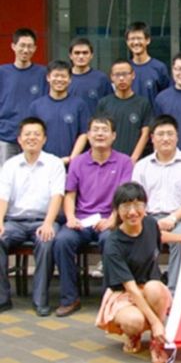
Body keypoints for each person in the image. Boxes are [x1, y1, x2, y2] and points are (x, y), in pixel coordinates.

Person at [95, 182, 181, 363]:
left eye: (138, 205)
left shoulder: (150, 223)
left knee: (155, 287)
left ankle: (156, 341)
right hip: (124, 293)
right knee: (134, 322)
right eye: (126, 206)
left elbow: (159, 236)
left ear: (145, 206)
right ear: (116, 210)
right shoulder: (113, 244)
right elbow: (130, 289)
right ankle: (135, 334)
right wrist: (156, 323)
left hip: (149, 287)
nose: (132, 212)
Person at [53, 115, 133, 317]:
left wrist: (112, 219)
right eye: (95, 130)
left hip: (110, 220)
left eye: (104, 130)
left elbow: (124, 197)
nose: (99, 134)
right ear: (88, 135)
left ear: (113, 136)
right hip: (81, 220)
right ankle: (70, 298)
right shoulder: (78, 162)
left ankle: (109, 298)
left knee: (110, 241)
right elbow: (70, 195)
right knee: (62, 241)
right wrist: (70, 217)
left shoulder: (124, 162)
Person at [0, 117, 65, 317]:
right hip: (15, 222)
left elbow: (57, 196)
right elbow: (3, 196)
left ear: (44, 139)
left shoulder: (54, 163)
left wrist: (48, 223)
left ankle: (40, 300)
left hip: (43, 220)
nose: (32, 138)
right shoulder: (10, 165)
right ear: (19, 139)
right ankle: (2, 298)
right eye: (27, 134)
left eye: (37, 134)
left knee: (46, 241)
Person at [132, 114, 181, 294]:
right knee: (141, 238)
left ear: (177, 137)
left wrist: (172, 218)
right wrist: (149, 221)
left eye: (170, 134)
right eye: (160, 134)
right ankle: (148, 288)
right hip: (147, 217)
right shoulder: (142, 165)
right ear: (152, 138)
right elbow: (136, 200)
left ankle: (174, 292)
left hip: (179, 217)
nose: (165, 138)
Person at [0, 28, 48, 166]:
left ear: (35, 48)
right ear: (13, 46)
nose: (26, 50)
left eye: (29, 46)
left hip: (33, 138)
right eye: (22, 45)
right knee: (5, 176)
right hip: (5, 136)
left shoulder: (43, 74)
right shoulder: (2, 72)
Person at [29, 60, 89, 164]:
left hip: (72, 164)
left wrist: (72, 158)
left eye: (63, 76)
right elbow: (32, 134)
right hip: (43, 163)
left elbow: (84, 134)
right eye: (56, 76)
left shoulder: (79, 104)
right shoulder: (36, 106)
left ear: (70, 79)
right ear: (48, 77)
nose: (59, 79)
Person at [96, 59, 152, 163]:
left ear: (133, 75)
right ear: (111, 77)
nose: (121, 78)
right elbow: (99, 133)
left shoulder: (143, 103)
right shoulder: (104, 103)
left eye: (125, 74)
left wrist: (133, 159)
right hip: (108, 161)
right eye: (117, 75)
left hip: (134, 162)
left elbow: (145, 134)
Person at [126, 22, 170, 114]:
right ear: (127, 42)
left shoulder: (159, 68)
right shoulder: (124, 68)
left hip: (153, 120)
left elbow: (166, 98)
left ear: (148, 40)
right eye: (132, 39)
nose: (136, 42)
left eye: (139, 38)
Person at [68, 37, 113, 115]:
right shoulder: (63, 79)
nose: (81, 56)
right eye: (77, 53)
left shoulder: (101, 78)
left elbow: (110, 105)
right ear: (70, 56)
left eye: (85, 53)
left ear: (91, 55)